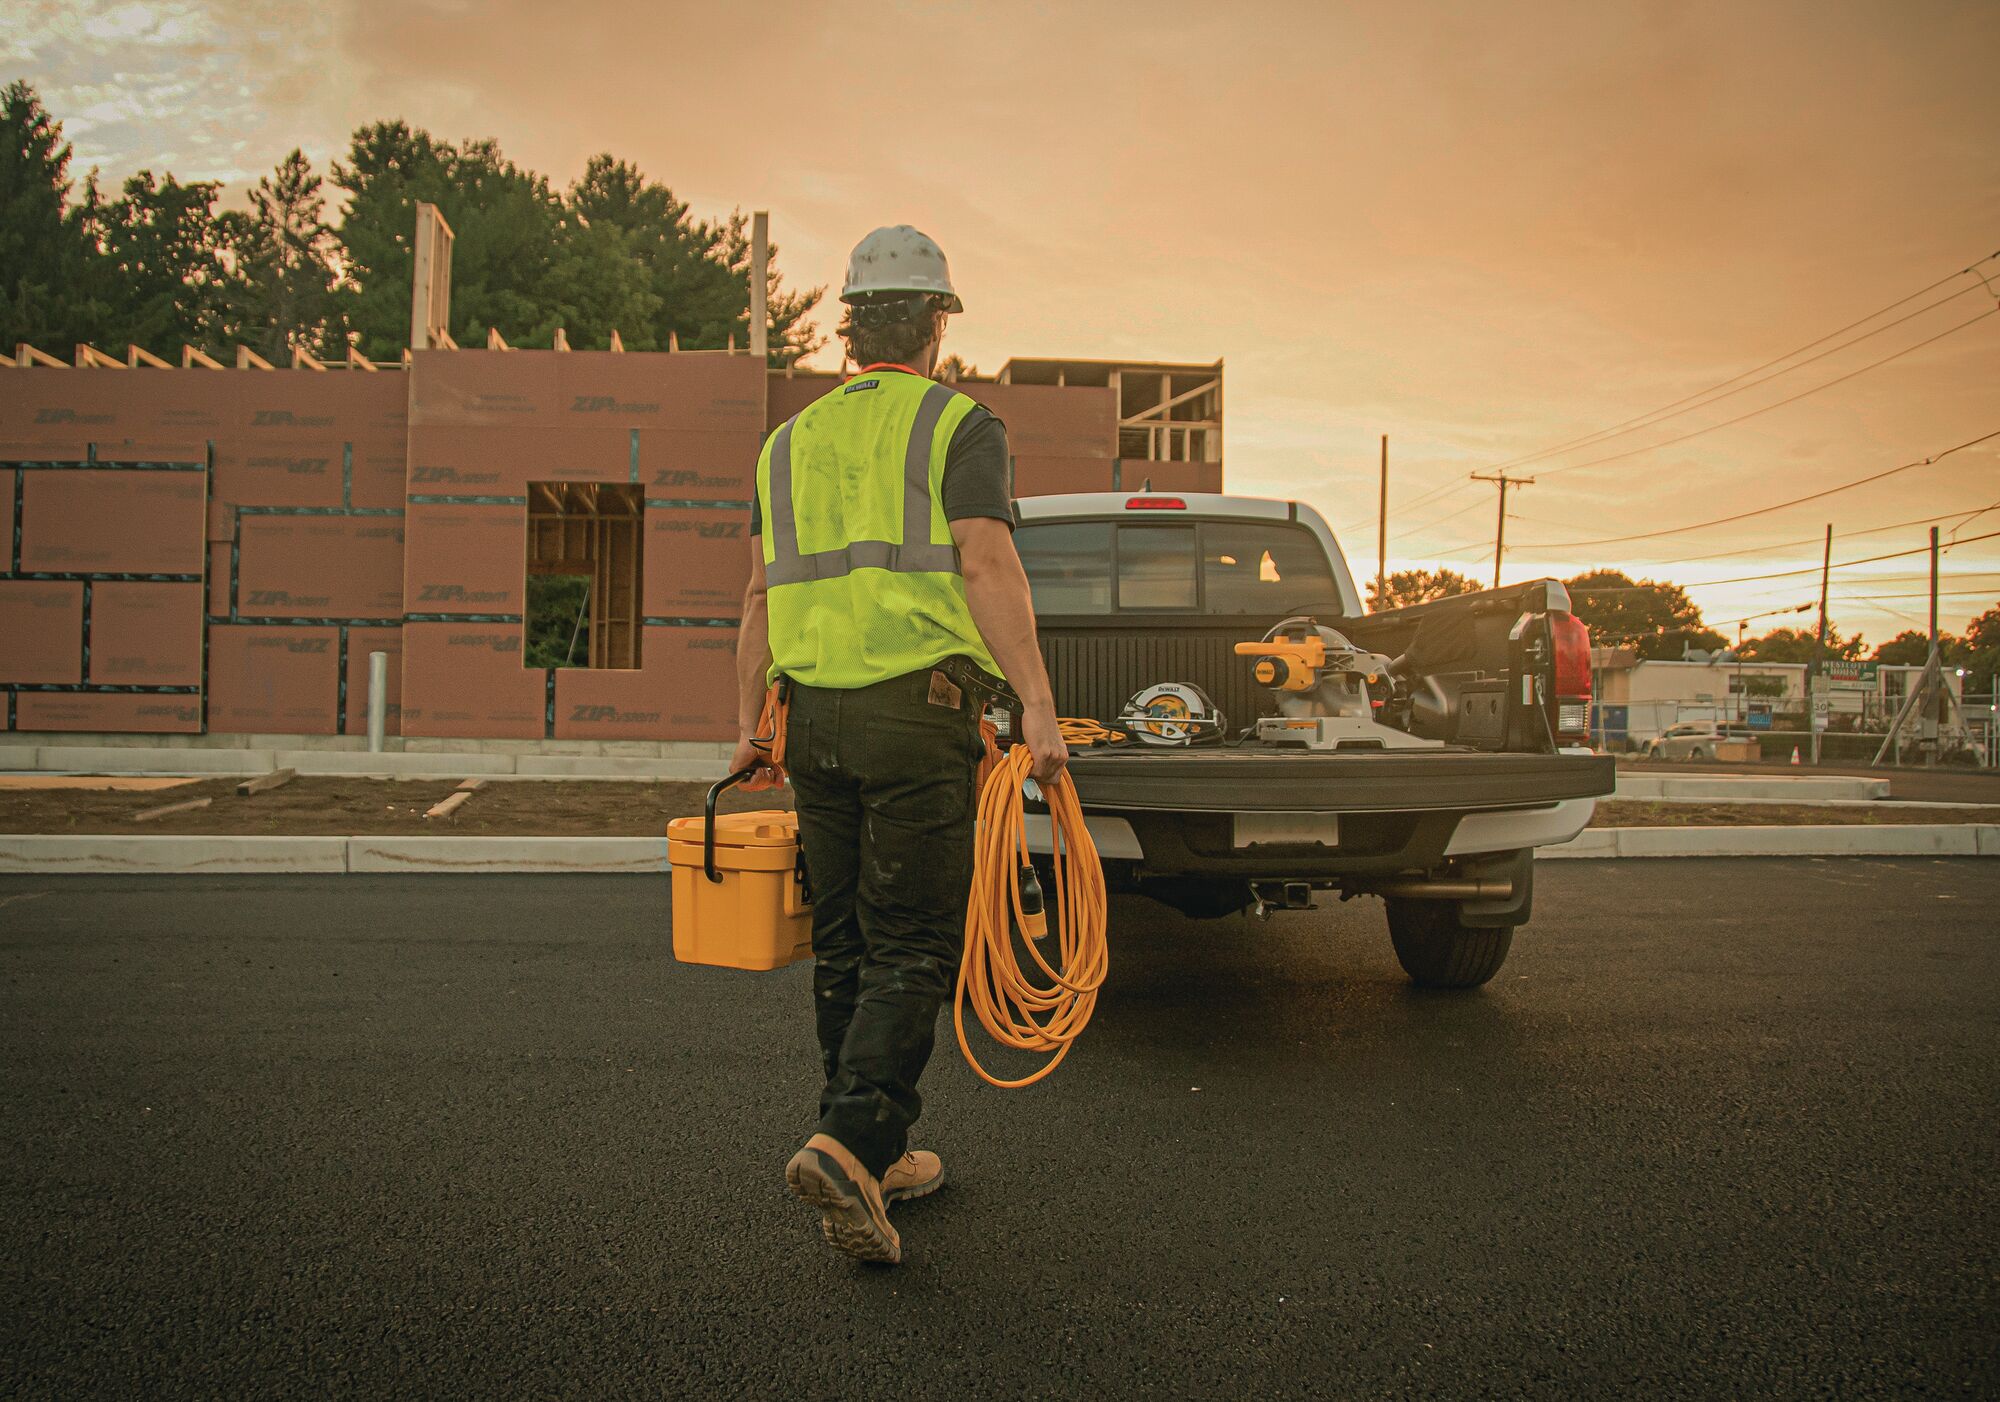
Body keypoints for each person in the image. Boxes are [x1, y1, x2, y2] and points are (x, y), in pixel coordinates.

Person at [730, 226, 1068, 1265]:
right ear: (934, 324)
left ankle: (871, 1159)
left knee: (846, 943)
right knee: (916, 941)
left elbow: (755, 594)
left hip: (814, 722)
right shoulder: (960, 423)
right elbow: (985, 564)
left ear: (847, 326)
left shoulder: (785, 444)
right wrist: (1039, 708)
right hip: (916, 716)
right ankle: (851, 1137)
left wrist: (750, 728)